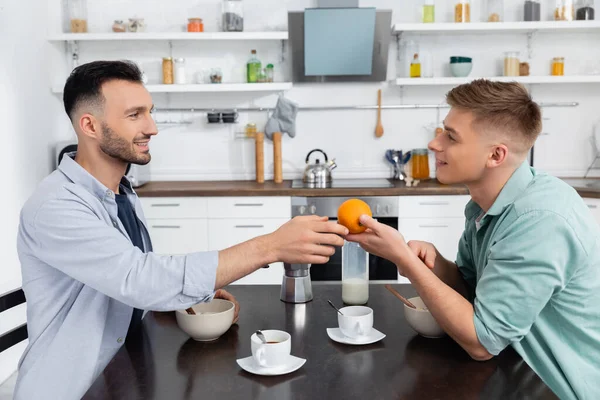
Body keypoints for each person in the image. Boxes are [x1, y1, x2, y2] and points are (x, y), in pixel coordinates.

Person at [14, 60, 348, 400]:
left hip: (123, 376)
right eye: (135, 115)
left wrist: (183, 298)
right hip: (73, 389)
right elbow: (138, 279)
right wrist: (270, 247)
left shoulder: (120, 193)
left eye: (150, 112)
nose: (152, 127)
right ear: (90, 125)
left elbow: (121, 281)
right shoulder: (56, 206)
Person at [347, 79, 600, 400]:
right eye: (442, 131)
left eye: (451, 136)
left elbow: (482, 343)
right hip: (516, 372)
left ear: (495, 155)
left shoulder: (539, 220)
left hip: (560, 388)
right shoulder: (485, 205)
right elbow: (470, 287)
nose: (434, 144)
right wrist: (437, 264)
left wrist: (406, 262)